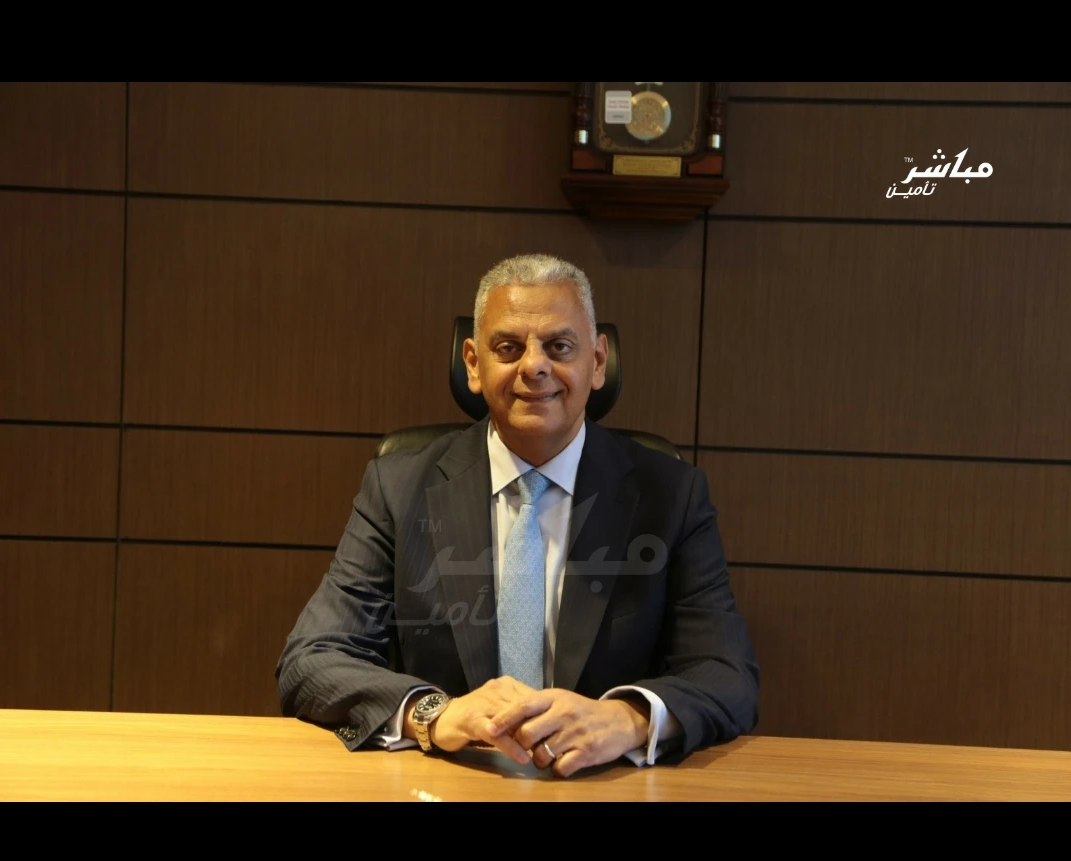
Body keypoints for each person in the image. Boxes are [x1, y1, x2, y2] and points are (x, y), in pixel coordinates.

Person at [276, 254, 759, 773]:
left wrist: (628, 718)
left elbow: (727, 673)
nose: (534, 366)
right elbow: (313, 659)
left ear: (597, 362)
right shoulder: (398, 486)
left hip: (602, 784)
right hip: (451, 778)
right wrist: (434, 713)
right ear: (473, 364)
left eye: (559, 346)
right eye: (508, 347)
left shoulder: (670, 494)